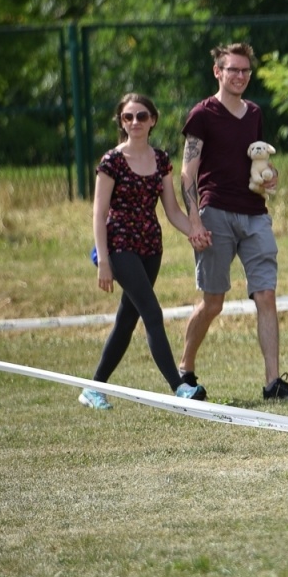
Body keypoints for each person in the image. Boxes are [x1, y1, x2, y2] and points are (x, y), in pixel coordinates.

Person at [178, 43, 288, 402]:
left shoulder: (253, 113)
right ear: (217, 72)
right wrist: (194, 222)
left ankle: (272, 384)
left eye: (245, 71)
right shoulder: (201, 114)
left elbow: (258, 159)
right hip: (214, 212)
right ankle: (184, 370)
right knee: (213, 302)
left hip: (255, 214)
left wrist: (271, 176)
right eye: (232, 70)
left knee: (266, 294)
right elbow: (188, 173)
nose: (239, 76)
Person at [80, 94, 212, 409]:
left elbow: (172, 211)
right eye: (128, 117)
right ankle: (179, 388)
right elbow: (99, 214)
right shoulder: (111, 161)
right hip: (119, 246)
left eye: (141, 116)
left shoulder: (161, 159)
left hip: (151, 246)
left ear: (152, 120)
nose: (135, 122)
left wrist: (194, 230)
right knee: (152, 313)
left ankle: (93, 388)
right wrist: (103, 262)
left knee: (127, 319)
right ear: (121, 122)